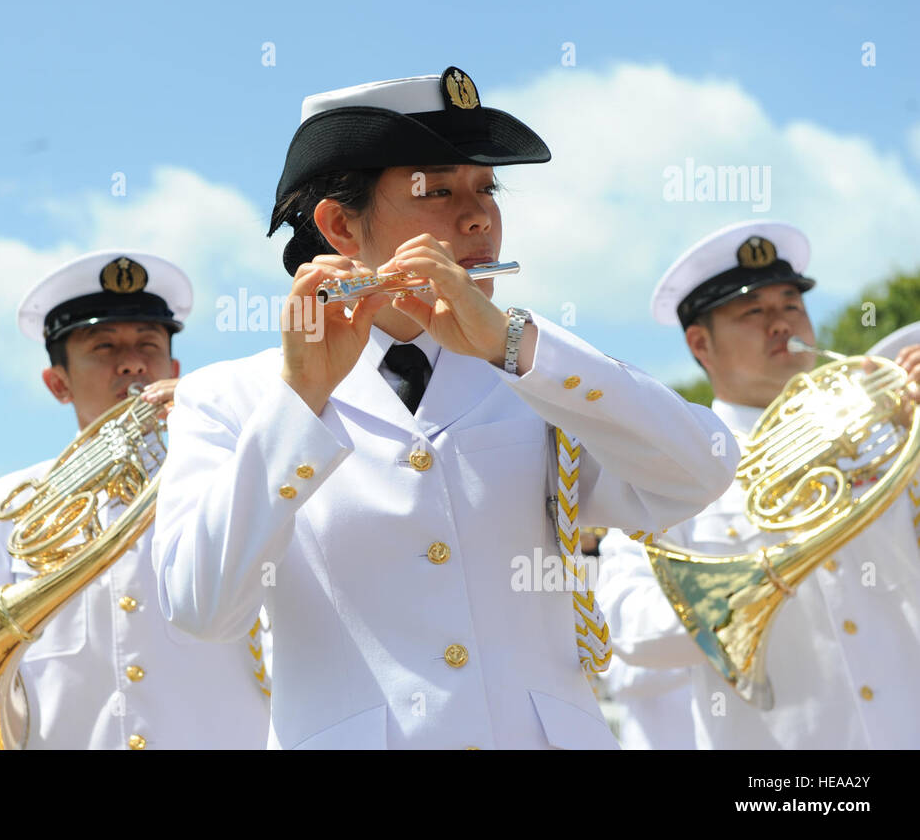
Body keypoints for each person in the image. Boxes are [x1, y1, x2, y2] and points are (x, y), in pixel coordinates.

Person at [152, 65, 737, 749]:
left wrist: (516, 345)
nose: (478, 214)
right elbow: (200, 607)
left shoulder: (537, 372)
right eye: (438, 189)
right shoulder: (233, 399)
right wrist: (300, 401)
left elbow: (702, 472)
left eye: (487, 188)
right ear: (341, 224)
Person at [596, 220, 920, 748]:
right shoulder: (665, 463)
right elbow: (627, 629)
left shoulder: (890, 431)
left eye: (792, 305)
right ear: (701, 343)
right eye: (754, 311)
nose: (780, 323)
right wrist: (755, 580)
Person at [0, 250, 271, 749]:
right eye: (103, 346)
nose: (133, 362)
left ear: (175, 367)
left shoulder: (234, 478)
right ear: (58, 384)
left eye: (148, 344)